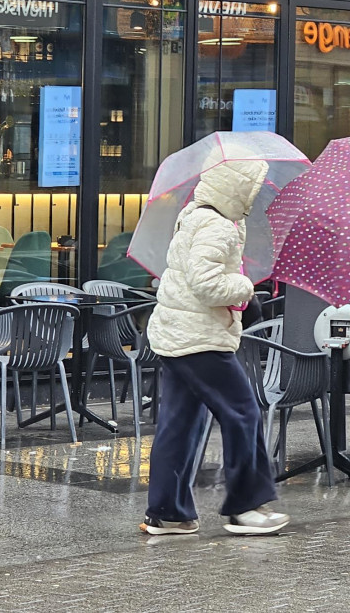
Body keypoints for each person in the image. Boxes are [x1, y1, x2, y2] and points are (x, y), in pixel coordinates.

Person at [140, 158, 290, 537]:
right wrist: (245, 288)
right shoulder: (217, 225)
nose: (254, 199)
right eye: (252, 190)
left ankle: (168, 513)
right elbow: (207, 285)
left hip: (176, 335)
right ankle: (245, 507)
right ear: (236, 189)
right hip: (200, 338)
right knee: (242, 413)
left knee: (180, 423)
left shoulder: (193, 216)